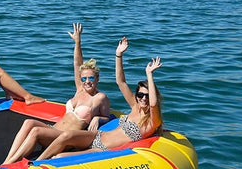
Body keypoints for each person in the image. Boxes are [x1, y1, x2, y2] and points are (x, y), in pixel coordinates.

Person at [34, 37, 163, 160]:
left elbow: (153, 104)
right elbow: (121, 82)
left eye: (147, 95)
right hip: (97, 136)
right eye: (140, 95)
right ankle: (34, 163)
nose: (143, 99)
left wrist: (149, 75)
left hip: (102, 149)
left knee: (59, 157)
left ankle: (38, 164)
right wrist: (118, 55)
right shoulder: (135, 107)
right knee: (67, 135)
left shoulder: (152, 121)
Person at [2, 23, 110, 164]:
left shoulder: (100, 98)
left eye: (91, 78)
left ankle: (10, 164)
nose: (87, 81)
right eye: (84, 78)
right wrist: (77, 42)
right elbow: (77, 65)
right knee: (29, 122)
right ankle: (7, 159)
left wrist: (99, 118)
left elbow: (107, 117)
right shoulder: (80, 90)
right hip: (53, 129)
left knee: (36, 132)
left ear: (97, 79)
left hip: (64, 139)